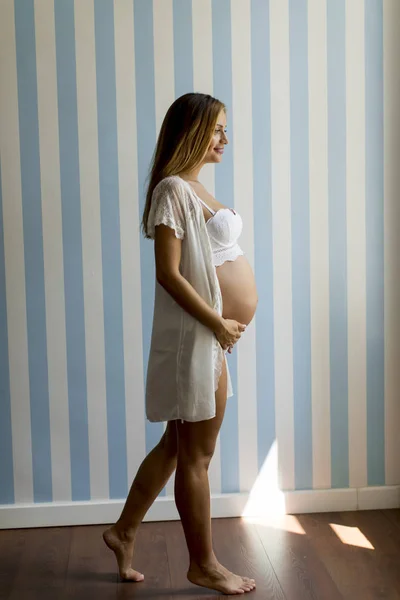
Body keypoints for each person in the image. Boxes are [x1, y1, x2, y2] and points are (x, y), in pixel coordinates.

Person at [103, 93, 258, 595]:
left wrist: (222, 326)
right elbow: (168, 275)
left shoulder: (194, 187)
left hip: (213, 337)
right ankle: (204, 564)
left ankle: (122, 532)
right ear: (191, 131)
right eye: (216, 130)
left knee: (177, 445)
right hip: (200, 336)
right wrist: (217, 322)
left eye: (225, 130)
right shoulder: (172, 189)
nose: (225, 140)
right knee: (196, 455)